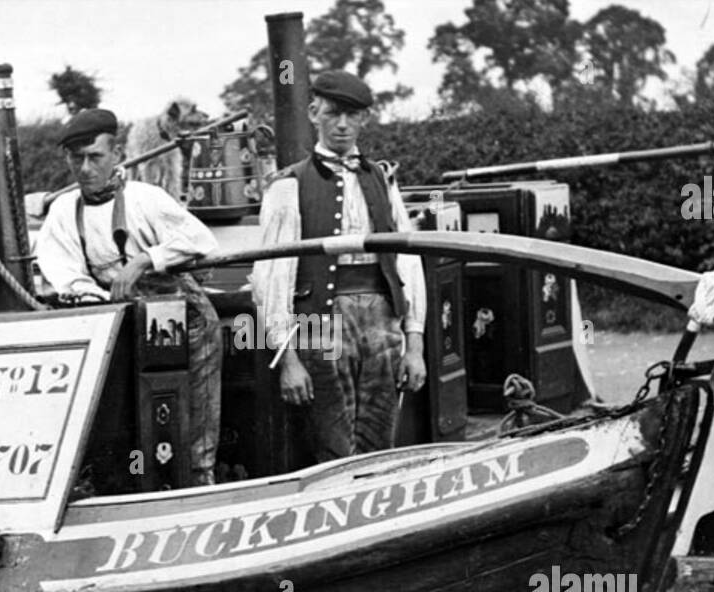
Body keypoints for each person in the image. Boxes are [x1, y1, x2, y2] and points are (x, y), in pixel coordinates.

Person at [36, 108, 222, 486]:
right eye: (77, 159)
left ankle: (200, 481)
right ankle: (134, 486)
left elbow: (201, 240)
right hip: (119, 319)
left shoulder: (146, 199)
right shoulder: (62, 214)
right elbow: (65, 275)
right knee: (133, 414)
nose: (86, 169)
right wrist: (96, 297)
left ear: (117, 155)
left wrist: (144, 260)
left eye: (95, 157)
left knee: (193, 409)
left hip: (184, 317)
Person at [251, 70, 427, 463]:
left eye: (352, 115)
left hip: (383, 320)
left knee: (381, 437)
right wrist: (288, 360)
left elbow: (408, 262)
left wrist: (414, 344)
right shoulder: (288, 185)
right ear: (314, 113)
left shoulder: (382, 178)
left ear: (365, 119)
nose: (342, 125)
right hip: (320, 323)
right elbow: (271, 279)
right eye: (332, 114)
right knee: (333, 444)